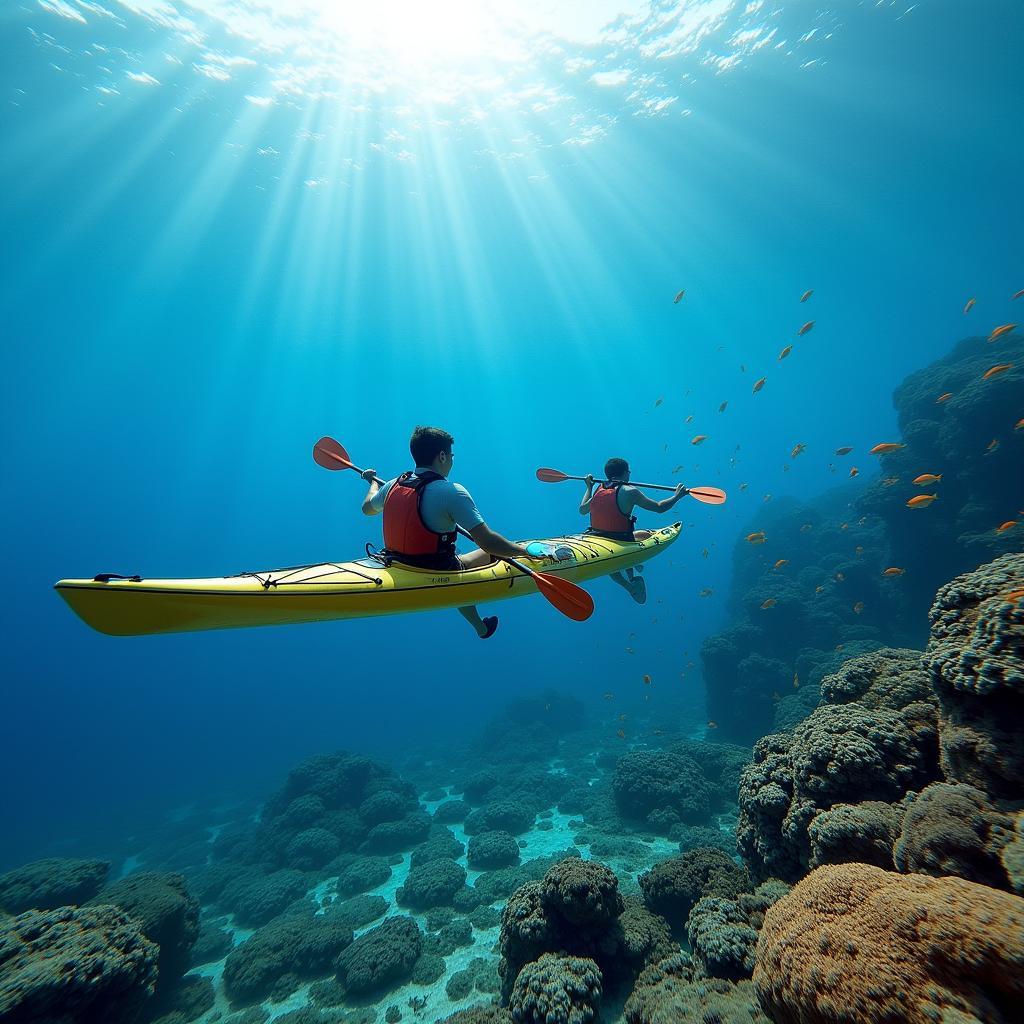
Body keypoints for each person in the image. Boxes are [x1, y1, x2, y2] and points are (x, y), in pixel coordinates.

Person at [360, 425, 539, 639]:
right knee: (497, 551)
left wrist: (372, 482)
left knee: (457, 560)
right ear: (442, 456)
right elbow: (488, 542)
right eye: (452, 456)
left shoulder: (391, 486)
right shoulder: (452, 492)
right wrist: (524, 553)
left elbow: (367, 508)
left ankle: (481, 628)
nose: (453, 461)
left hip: (394, 563)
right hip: (437, 571)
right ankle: (482, 624)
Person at [579, 457, 687, 604]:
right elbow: (659, 507)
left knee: (641, 536)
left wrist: (589, 487)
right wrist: (677, 496)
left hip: (596, 538)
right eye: (629, 471)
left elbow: (582, 510)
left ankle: (629, 583)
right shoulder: (630, 491)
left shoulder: (600, 489)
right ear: (625, 473)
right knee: (631, 544)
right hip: (621, 541)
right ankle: (632, 578)